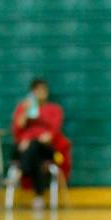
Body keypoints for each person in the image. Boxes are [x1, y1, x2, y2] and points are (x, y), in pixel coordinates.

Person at [10, 79, 69, 210]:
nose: (41, 93)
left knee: (34, 146)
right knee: (34, 154)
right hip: (31, 152)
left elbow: (50, 136)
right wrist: (25, 111)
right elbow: (17, 128)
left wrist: (29, 140)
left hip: (48, 150)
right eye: (37, 90)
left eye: (43, 90)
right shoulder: (24, 107)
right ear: (32, 92)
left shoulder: (55, 109)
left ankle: (21, 171)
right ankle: (38, 197)